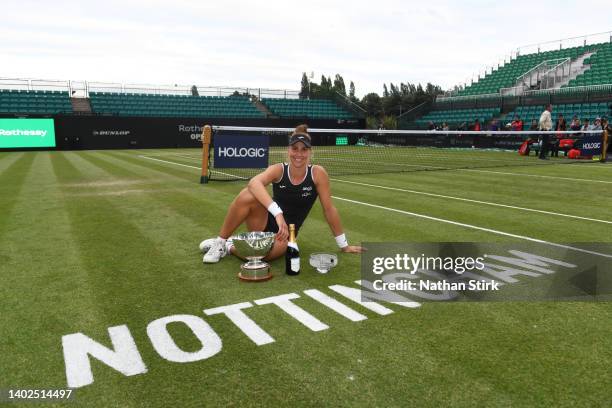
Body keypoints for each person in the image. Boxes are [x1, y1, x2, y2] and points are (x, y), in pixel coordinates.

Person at [200, 124, 364, 264]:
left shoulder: (318, 173)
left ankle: (229, 246)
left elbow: (329, 210)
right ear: (288, 150)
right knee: (247, 194)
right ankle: (220, 242)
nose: (299, 154)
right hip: (264, 222)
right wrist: (278, 214)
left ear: (310, 152)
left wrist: (344, 245)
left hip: (286, 234)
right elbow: (254, 183)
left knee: (262, 255)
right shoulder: (278, 169)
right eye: (295, 149)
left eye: (304, 149)